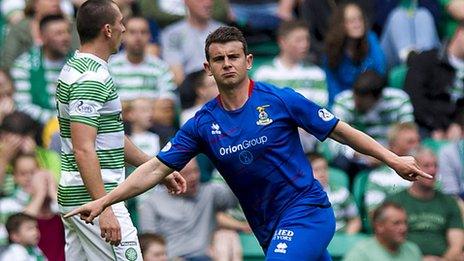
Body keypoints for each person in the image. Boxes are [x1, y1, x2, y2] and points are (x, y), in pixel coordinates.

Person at [65, 26, 430, 261]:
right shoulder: (202, 124)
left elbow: (339, 129)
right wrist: (105, 199)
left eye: (233, 57)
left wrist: (391, 158)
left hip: (307, 212)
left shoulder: (280, 99)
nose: (227, 64)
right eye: (218, 59)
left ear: (248, 61)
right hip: (266, 225)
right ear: (208, 68)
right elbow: (157, 168)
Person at [56, 1, 185, 260]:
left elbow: (110, 138)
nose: (123, 29)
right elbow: (84, 148)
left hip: (81, 195)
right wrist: (104, 207)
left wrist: (156, 169)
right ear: (107, 30)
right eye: (120, 23)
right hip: (96, 198)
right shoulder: (91, 78)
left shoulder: (77, 68)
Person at [138, 159, 237, 260]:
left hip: (203, 256)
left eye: (196, 171)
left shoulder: (210, 192)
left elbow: (235, 199)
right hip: (171, 257)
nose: (193, 177)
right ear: (171, 176)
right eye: (187, 173)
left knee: (226, 235)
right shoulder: (151, 203)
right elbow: (149, 243)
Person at [387, 147, 464, 260]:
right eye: (426, 166)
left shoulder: (449, 202)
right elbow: (389, 242)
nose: (432, 170)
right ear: (413, 169)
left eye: (435, 166)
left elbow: (456, 246)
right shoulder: (395, 202)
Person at [404, 21, 464, 139]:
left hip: (457, 132)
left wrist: (458, 124)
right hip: (423, 126)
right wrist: (435, 127)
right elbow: (414, 96)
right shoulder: (427, 60)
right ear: (459, 32)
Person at [11, 14, 72, 125]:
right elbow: (22, 105)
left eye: (68, 32)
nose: (65, 37)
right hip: (39, 127)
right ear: (43, 37)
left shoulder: (77, 63)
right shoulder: (24, 65)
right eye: (59, 33)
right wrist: (55, 122)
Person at [253, 20, 328, 107]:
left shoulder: (316, 74)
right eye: (298, 40)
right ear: (282, 41)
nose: (305, 45)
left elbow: (320, 109)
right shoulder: (264, 73)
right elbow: (259, 107)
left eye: (307, 39)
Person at [324, 2, 386, 106]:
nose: (357, 24)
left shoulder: (371, 39)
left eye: (359, 19)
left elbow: (380, 71)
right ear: (340, 25)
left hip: (371, 99)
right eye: (351, 21)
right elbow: (332, 89)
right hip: (343, 104)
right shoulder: (332, 51)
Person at [109, 16, 176, 103]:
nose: (138, 37)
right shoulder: (110, 66)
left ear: (149, 36)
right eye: (132, 32)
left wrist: (128, 106)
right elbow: (107, 104)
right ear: (123, 36)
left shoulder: (161, 67)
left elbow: (167, 105)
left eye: (143, 32)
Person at [161, 0, 223, 85]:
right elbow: (176, 75)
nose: (207, 3)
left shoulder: (223, 31)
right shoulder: (172, 34)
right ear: (186, 2)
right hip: (189, 89)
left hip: (221, 86)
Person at [364, 122, 420, 213]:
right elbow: (374, 214)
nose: (417, 146)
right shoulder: (378, 178)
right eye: (410, 142)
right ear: (393, 146)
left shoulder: (430, 172)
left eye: (418, 141)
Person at [343, 202, 422, 261]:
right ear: (379, 226)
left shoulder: (413, 250)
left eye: (405, 222)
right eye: (396, 223)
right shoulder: (360, 254)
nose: (404, 228)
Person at [309, 153, 361, 234]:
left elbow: (354, 220)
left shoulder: (341, 193)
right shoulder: (299, 198)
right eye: (316, 169)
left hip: (341, 236)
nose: (322, 173)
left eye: (325, 168)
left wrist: (347, 238)